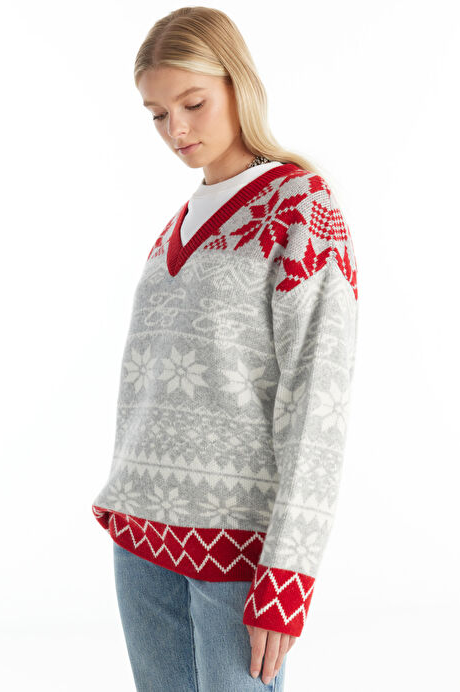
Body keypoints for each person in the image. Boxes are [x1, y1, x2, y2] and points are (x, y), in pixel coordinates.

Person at [91, 7, 359, 691]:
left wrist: (289, 571)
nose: (175, 130)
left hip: (237, 547)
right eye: (157, 114)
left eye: (193, 103)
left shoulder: (301, 206)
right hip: (142, 535)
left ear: (238, 85)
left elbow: (317, 398)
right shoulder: (177, 224)